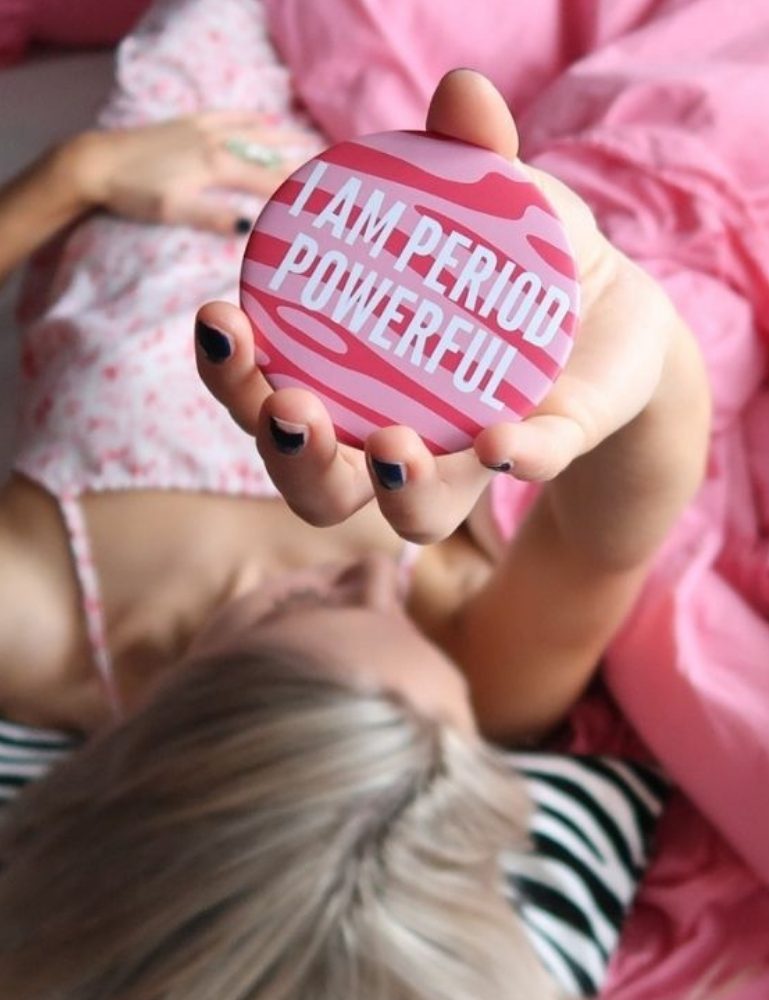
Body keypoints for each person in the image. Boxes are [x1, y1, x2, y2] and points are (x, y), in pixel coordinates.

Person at [0, 68, 711, 998]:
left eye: (312, 599)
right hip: (474, 217)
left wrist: (76, 174)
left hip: (204, 112)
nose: (387, 585)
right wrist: (630, 321)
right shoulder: (480, 682)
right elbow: (611, 537)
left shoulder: (34, 623)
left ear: (155, 753)